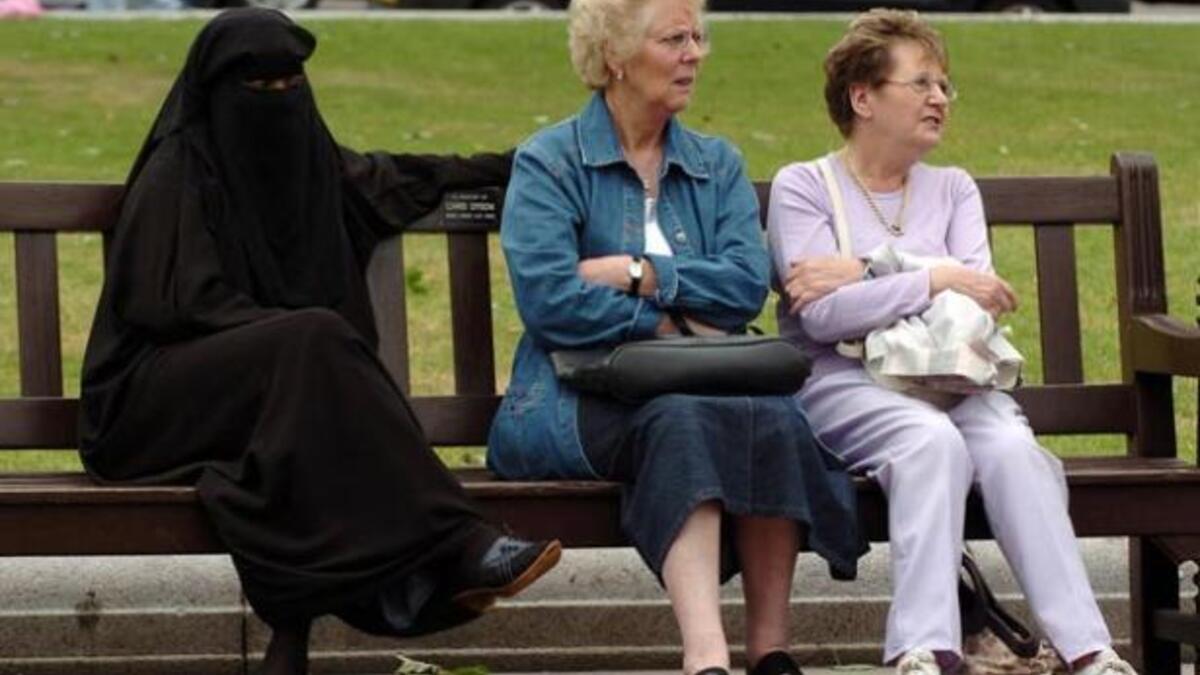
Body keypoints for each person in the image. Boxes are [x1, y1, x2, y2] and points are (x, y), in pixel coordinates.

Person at [77, 9, 560, 675]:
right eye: (256, 90)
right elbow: (169, 304)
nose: (276, 105)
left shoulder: (314, 163)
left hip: (267, 400)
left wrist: (524, 165)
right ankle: (458, 543)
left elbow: (403, 179)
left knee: (304, 384)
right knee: (312, 343)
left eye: (289, 86)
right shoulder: (177, 172)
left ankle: (304, 633)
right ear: (215, 92)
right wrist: (283, 342)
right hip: (150, 405)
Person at [487, 1, 866, 674]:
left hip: (708, 379)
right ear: (615, 57)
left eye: (699, 36)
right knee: (685, 419)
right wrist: (668, 321)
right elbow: (552, 301)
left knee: (773, 416)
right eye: (674, 39)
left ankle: (772, 651)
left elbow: (747, 284)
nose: (696, 53)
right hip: (577, 395)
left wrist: (636, 273)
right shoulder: (550, 163)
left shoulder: (715, 163)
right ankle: (706, 653)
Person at [765, 9, 1136, 675]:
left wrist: (874, 270)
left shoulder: (954, 188)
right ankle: (921, 648)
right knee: (928, 443)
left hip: (954, 377)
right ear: (863, 97)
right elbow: (822, 319)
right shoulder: (804, 187)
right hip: (844, 382)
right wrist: (934, 273)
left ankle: (1089, 650)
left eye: (945, 85)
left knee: (1017, 452)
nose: (940, 97)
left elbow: (981, 298)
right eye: (922, 83)